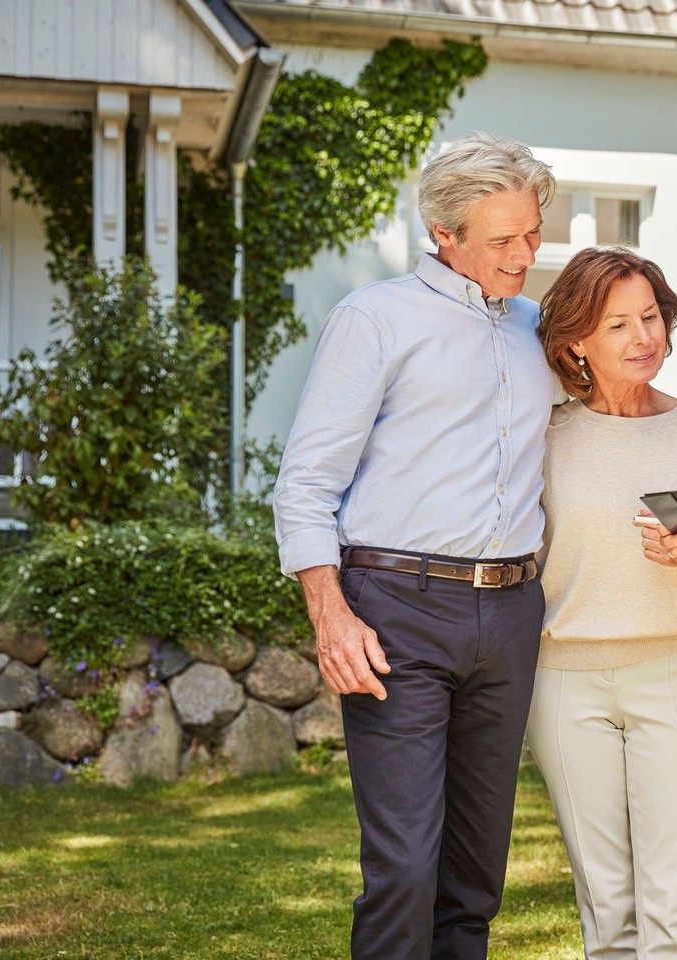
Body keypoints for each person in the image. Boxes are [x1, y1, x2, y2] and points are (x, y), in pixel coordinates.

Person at [272, 132, 557, 960]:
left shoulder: (536, 328)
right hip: (397, 608)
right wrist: (330, 616)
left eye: (533, 232)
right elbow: (306, 484)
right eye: (502, 240)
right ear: (446, 234)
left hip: (509, 612)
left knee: (475, 875)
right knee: (403, 867)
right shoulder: (376, 319)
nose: (525, 253)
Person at [527, 246, 677, 959]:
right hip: (564, 680)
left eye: (650, 317)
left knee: (673, 903)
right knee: (606, 905)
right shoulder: (545, 436)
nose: (643, 337)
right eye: (618, 324)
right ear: (576, 342)